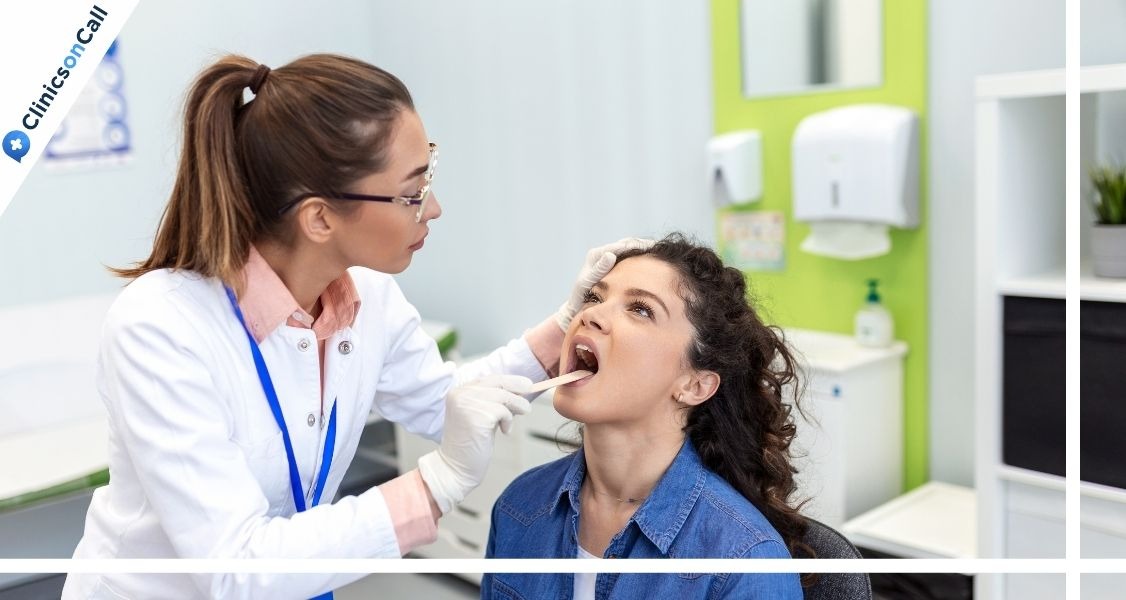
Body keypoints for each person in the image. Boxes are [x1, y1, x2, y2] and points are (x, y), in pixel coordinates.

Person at [61, 53, 650, 599]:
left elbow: (445, 403)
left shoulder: (368, 298)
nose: (434, 208)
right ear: (319, 218)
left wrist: (564, 325)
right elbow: (235, 568)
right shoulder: (160, 327)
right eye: (412, 192)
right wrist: (435, 484)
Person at [482, 233, 808, 599]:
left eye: (640, 309)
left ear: (695, 385)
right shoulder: (517, 506)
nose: (590, 315)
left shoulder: (746, 563)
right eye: (594, 297)